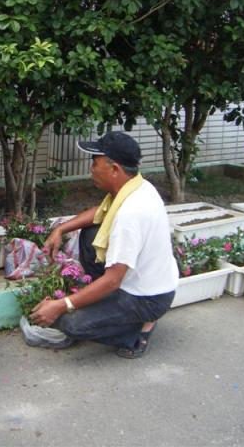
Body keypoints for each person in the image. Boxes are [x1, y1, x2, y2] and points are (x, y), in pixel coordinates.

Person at [29, 131, 177, 358]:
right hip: (142, 282)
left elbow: (112, 280)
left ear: (115, 169)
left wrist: (62, 305)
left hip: (147, 298)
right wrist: (60, 229)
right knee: (90, 234)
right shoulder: (137, 187)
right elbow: (97, 214)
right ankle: (108, 311)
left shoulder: (130, 214)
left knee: (70, 324)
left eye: (94, 163)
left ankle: (136, 332)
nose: (91, 169)